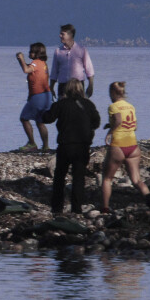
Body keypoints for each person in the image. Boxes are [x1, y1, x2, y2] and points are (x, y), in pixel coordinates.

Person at [42, 79, 101, 214]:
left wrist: (44, 109)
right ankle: (77, 208)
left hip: (65, 144)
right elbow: (96, 122)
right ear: (81, 89)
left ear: (65, 90)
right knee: (79, 177)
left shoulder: (61, 104)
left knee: (59, 176)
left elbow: (47, 118)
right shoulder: (88, 104)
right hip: (82, 145)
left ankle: (57, 207)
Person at [99, 81, 150, 212]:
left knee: (107, 179)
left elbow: (119, 120)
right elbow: (134, 126)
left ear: (113, 93)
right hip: (132, 146)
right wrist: (111, 124)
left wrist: (110, 132)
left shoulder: (113, 106)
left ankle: (105, 208)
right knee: (137, 180)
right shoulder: (131, 106)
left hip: (118, 146)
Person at [16, 42, 52, 151]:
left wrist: (21, 58)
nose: (29, 53)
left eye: (31, 51)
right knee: (40, 121)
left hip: (38, 96)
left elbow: (26, 70)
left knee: (24, 118)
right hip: (45, 95)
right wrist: (20, 61)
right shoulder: (43, 63)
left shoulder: (36, 63)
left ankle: (32, 144)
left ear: (36, 53)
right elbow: (28, 68)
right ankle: (45, 146)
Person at [49, 23, 95, 99]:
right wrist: (51, 87)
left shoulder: (82, 50)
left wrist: (90, 86)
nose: (60, 36)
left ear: (70, 35)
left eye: (62, 34)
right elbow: (54, 71)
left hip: (78, 86)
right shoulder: (58, 51)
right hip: (63, 86)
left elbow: (89, 70)